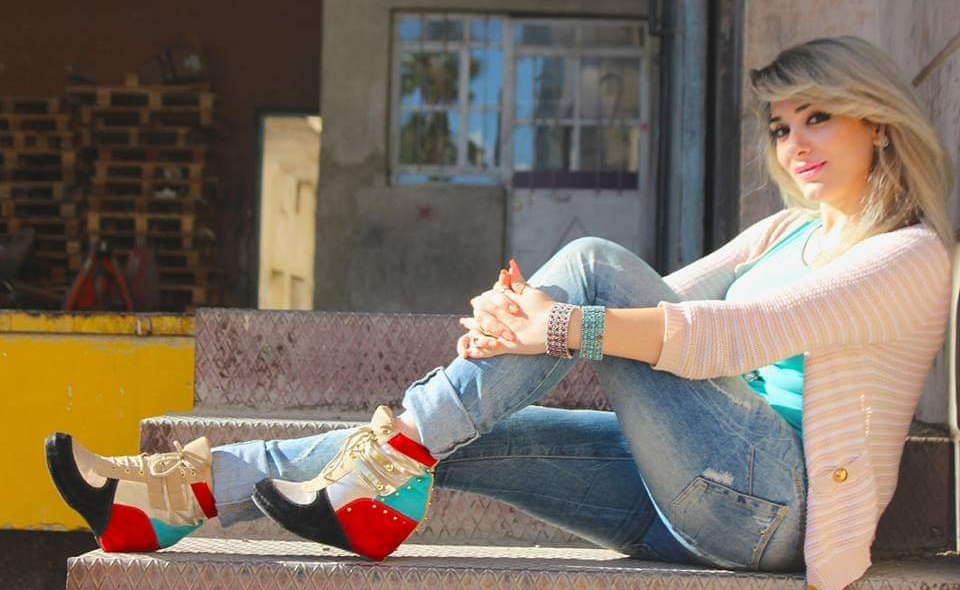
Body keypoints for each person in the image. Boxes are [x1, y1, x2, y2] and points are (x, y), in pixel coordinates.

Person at [45, 35, 955, 590]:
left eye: (816, 118)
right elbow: (664, 301)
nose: (793, 144)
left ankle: (391, 461)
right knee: (459, 432)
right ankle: (181, 496)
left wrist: (556, 323)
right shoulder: (788, 233)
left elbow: (724, 334)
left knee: (589, 266)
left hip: (774, 507)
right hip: (689, 495)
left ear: (876, 121)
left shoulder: (912, 256)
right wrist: (519, 310)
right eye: (781, 127)